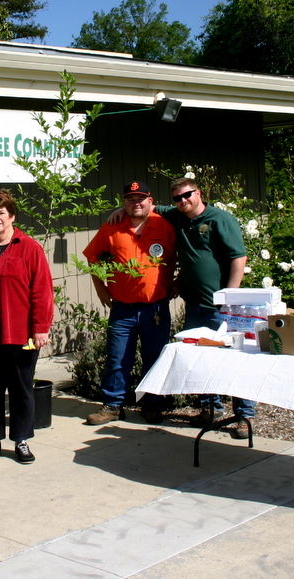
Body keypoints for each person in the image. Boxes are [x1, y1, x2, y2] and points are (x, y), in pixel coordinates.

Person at [157, 177, 251, 438]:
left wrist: (229, 296)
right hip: (195, 305)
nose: (183, 201)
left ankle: (244, 415)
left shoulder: (220, 219)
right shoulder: (178, 217)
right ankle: (211, 408)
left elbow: (238, 257)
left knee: (234, 361)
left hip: (221, 308)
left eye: (187, 195)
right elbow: (148, 207)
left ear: (198, 193)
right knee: (202, 360)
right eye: (177, 198)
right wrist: (121, 210)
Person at [0, 188, 53, 465]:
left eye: (1, 213)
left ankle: (21, 440)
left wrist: (41, 327)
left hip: (20, 333)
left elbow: (42, 291)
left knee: (21, 388)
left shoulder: (29, 248)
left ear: (12, 215)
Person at [83, 181, 176, 426]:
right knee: (117, 358)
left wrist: (179, 283)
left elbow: (187, 256)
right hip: (122, 308)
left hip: (155, 308)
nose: (136, 203)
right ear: (124, 203)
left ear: (150, 200)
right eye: (130, 199)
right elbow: (94, 258)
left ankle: (152, 405)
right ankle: (113, 406)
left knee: (154, 358)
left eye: (140, 198)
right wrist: (100, 288)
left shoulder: (165, 226)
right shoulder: (112, 227)